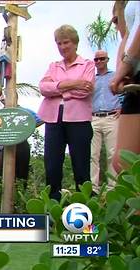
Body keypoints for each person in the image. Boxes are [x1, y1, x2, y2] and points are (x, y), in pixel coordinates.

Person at [38, 25, 95, 201]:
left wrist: (57, 87)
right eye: (59, 43)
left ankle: (84, 208)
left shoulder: (88, 64)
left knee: (81, 167)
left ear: (75, 43)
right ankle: (53, 208)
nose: (63, 47)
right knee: (52, 165)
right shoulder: (53, 66)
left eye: (66, 42)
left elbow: (85, 90)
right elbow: (43, 87)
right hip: (54, 119)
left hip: (79, 120)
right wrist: (72, 84)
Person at [110, 0, 140, 172]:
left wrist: (127, 63)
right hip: (134, 77)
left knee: (126, 162)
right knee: (124, 162)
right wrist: (123, 68)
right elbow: (128, 33)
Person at [90, 50, 121, 193]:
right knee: (92, 154)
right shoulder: (91, 78)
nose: (99, 62)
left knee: (112, 153)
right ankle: (92, 188)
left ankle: (112, 189)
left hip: (112, 117)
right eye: (96, 59)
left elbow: (125, 92)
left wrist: (122, 108)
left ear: (107, 59)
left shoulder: (115, 76)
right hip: (94, 117)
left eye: (102, 59)